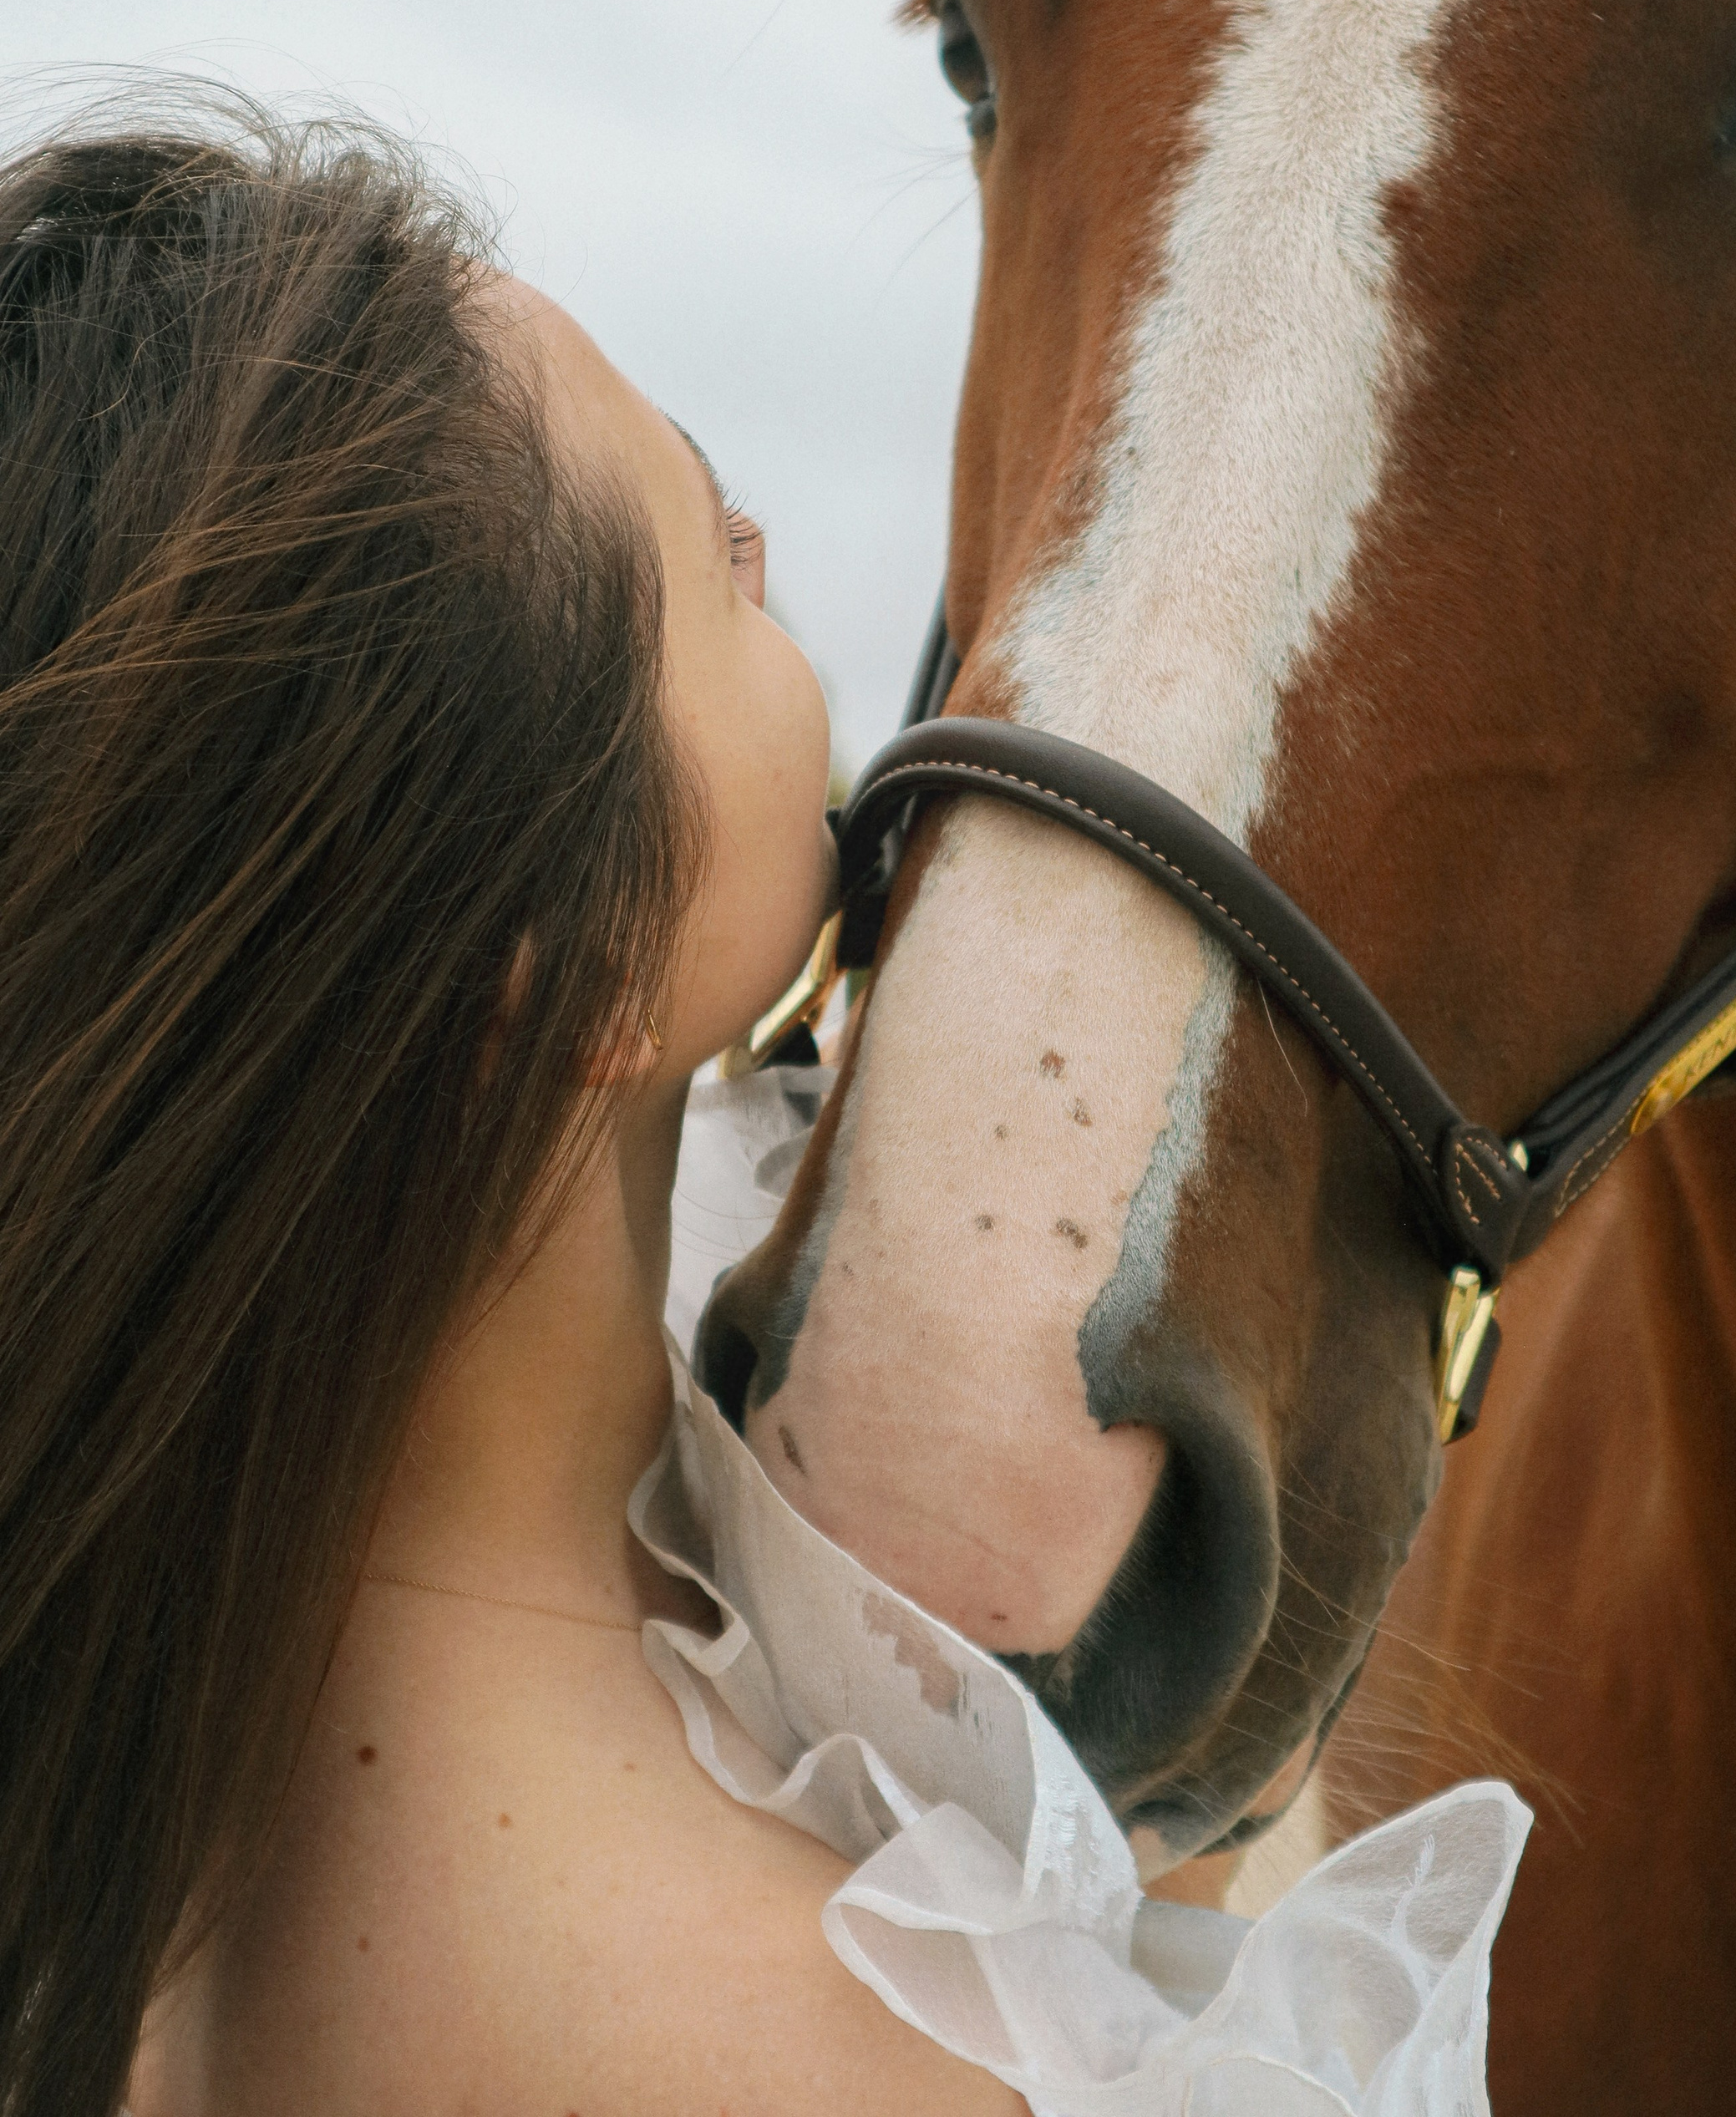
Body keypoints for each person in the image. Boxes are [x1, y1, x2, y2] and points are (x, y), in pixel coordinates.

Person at [0, 103, 1022, 2116]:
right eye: (711, 556)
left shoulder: (112, 1859)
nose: (773, 560)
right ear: (565, 975)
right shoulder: (878, 2062)